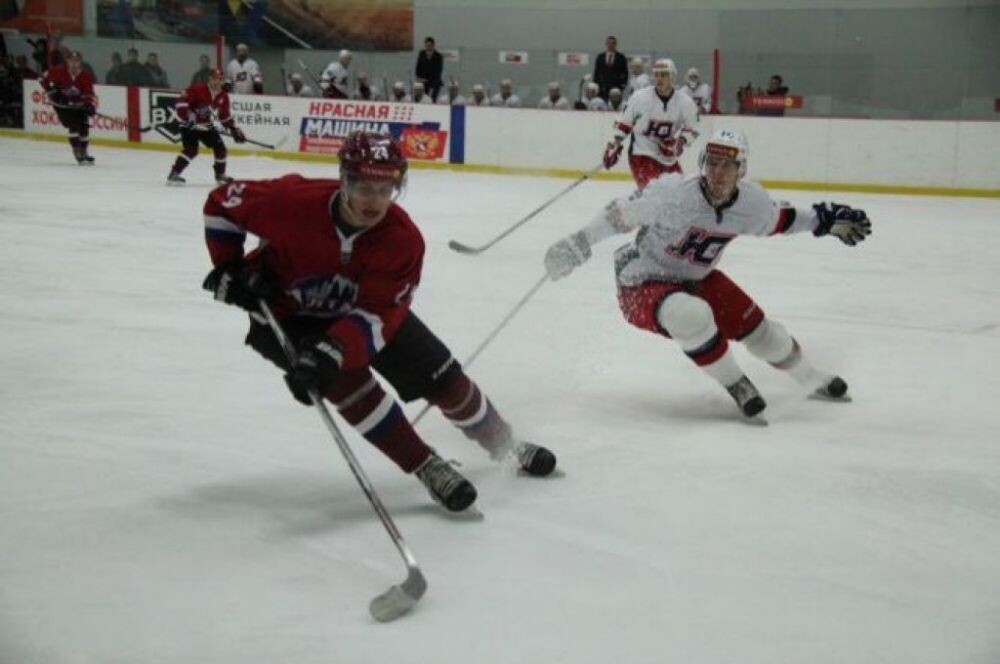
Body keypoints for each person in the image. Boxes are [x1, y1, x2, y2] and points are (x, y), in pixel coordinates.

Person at [200, 131, 558, 512]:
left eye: (386, 189)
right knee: (351, 388)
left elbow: (379, 314)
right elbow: (221, 203)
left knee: (445, 380)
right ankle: (426, 465)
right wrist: (229, 267)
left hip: (369, 314)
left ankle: (505, 444)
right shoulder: (291, 201)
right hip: (288, 317)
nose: (374, 201)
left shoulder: (402, 240)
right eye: (364, 188)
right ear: (344, 180)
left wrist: (335, 348)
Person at [542, 129, 872, 421]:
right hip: (641, 283)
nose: (717, 172)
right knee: (691, 315)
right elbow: (618, 215)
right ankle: (737, 384)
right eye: (712, 163)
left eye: (727, 165)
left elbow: (782, 220)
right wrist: (579, 242)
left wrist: (824, 220)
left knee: (766, 336)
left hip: (696, 280)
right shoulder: (673, 193)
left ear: (741, 170)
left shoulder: (751, 203)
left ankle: (810, 377)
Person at [601, 58, 699, 189]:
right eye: (656, 74)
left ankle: (636, 200)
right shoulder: (640, 98)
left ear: (672, 77)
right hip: (642, 153)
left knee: (679, 193)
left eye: (664, 75)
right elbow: (625, 122)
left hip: (668, 157)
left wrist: (681, 141)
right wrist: (616, 143)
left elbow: (692, 127)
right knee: (653, 192)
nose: (659, 78)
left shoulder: (685, 102)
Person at [166, 69, 246, 186]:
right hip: (189, 125)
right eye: (214, 79)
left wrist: (233, 129)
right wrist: (187, 116)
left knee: (220, 148)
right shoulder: (197, 89)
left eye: (219, 79)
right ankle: (174, 174)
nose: (216, 82)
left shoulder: (223, 96)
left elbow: (224, 115)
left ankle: (220, 175)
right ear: (209, 79)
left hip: (205, 125)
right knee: (191, 150)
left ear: (222, 81)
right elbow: (180, 102)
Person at [39, 50, 96, 165]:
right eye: (72, 60)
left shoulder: (85, 76)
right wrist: (52, 91)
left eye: (77, 61)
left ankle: (84, 151)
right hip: (62, 105)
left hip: (77, 104)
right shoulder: (57, 71)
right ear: (67, 61)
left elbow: (88, 92)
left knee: (84, 126)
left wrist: (88, 104)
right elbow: (41, 78)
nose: (74, 63)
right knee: (73, 124)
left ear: (80, 62)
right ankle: (77, 150)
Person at [593, 36, 628, 101]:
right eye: (609, 43)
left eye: (613, 43)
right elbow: (596, 73)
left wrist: (621, 87)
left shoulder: (621, 57)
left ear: (616, 45)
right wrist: (597, 86)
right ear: (606, 44)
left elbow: (625, 74)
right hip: (602, 89)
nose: (611, 45)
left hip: (616, 89)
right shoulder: (600, 57)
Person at [414, 36, 443, 101]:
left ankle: (433, 101)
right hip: (423, 79)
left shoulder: (438, 56)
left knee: (433, 95)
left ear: (433, 45)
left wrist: (427, 79)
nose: (428, 47)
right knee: (420, 91)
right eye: (427, 45)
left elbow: (438, 71)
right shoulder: (421, 54)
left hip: (434, 80)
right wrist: (419, 77)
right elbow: (418, 67)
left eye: (430, 45)